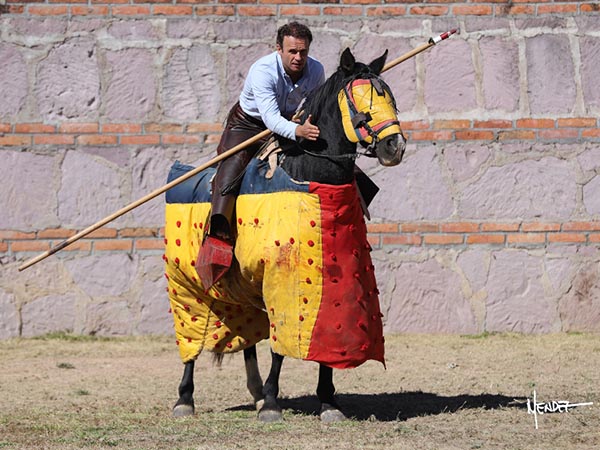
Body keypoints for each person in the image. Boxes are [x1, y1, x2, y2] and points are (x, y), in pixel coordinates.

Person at [197, 22, 326, 288]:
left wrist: (307, 125)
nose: (298, 58)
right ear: (278, 49)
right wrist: (298, 130)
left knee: (329, 157)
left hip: (293, 123)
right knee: (230, 174)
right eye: (292, 51)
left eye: (303, 52)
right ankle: (217, 240)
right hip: (248, 126)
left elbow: (315, 105)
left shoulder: (317, 70)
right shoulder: (263, 71)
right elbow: (270, 119)